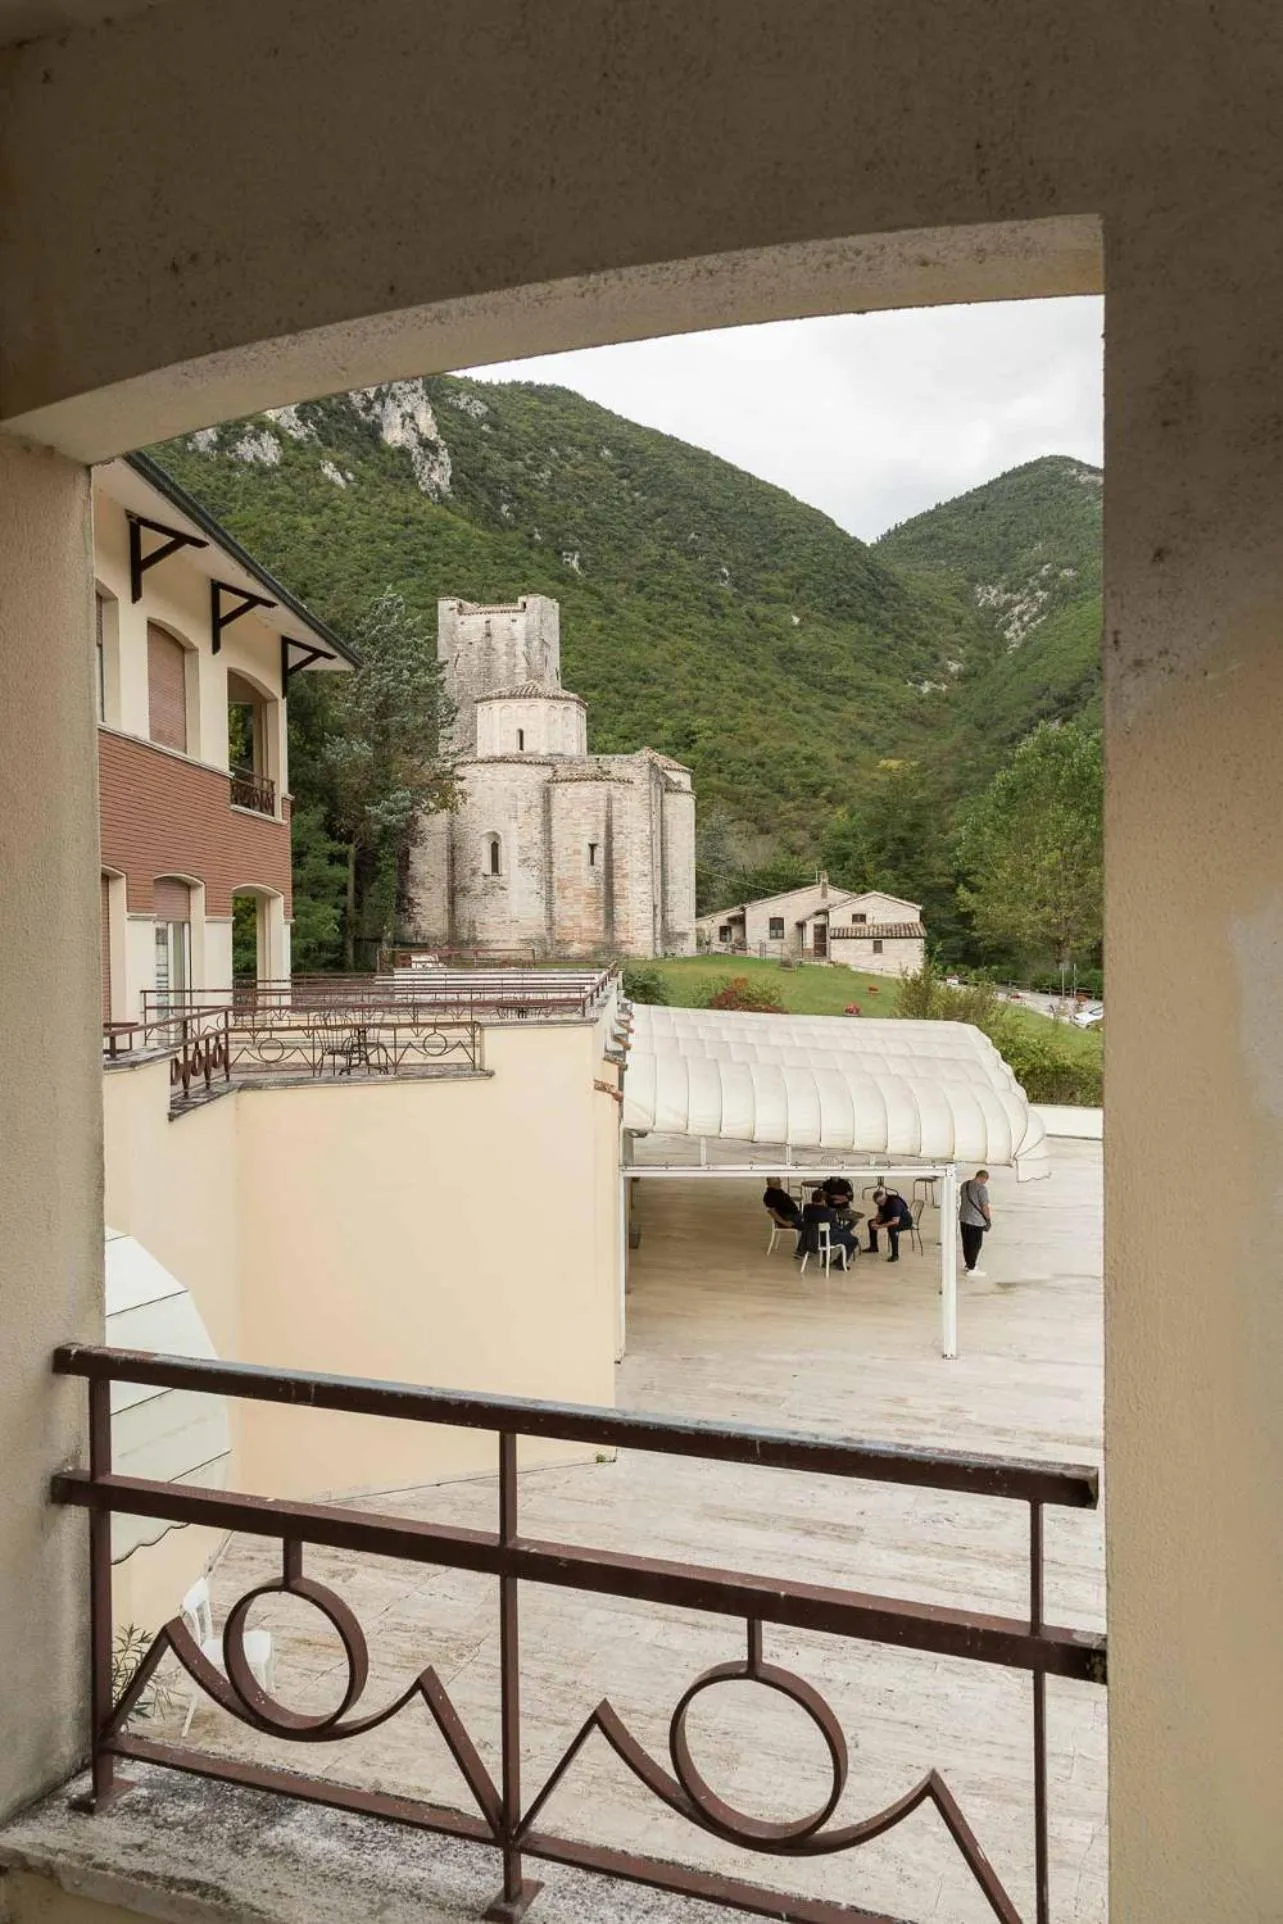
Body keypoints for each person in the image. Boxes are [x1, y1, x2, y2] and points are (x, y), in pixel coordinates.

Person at [797, 1186, 859, 1265]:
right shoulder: (830, 1212)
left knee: (834, 1232)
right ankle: (839, 1263)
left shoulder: (806, 1208)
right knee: (853, 1240)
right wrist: (850, 1225)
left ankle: (827, 1261)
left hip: (812, 1238)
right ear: (823, 1200)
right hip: (827, 1239)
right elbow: (836, 1229)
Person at [866, 1186, 914, 1262]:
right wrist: (875, 1221)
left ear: (884, 1198)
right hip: (890, 1217)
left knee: (892, 1228)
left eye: (880, 1202)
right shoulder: (881, 1202)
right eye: (877, 1203)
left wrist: (879, 1226)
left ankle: (895, 1255)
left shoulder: (894, 1203)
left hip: (904, 1221)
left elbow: (895, 1221)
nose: (879, 1204)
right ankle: (874, 1246)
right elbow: (881, 1214)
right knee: (870, 1222)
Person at [959, 1168, 992, 1276]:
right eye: (985, 1180)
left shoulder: (965, 1184)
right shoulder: (981, 1189)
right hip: (975, 1221)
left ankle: (968, 1264)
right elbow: (984, 1206)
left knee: (966, 1243)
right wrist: (988, 1219)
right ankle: (972, 1267)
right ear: (983, 1178)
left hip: (963, 1218)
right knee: (976, 1244)